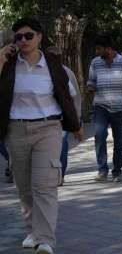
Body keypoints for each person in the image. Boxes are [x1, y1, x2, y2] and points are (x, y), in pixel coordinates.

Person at [0, 18, 83, 254]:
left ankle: (45, 239)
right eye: (18, 37)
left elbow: (68, 96)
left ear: (39, 37)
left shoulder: (53, 65)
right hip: (15, 130)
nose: (23, 40)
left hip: (48, 128)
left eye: (28, 36)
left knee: (44, 185)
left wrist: (75, 125)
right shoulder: (8, 65)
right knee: (24, 187)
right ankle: (33, 231)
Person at [87, 35, 122, 183]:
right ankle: (102, 169)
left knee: (119, 140)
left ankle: (117, 171)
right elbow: (91, 81)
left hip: (119, 107)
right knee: (100, 136)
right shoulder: (95, 62)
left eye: (99, 49)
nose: (96, 52)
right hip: (100, 106)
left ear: (108, 48)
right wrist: (90, 89)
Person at [45, 46, 82, 186]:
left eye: (56, 56)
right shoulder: (41, 72)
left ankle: (61, 174)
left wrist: (76, 118)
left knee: (62, 145)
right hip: (46, 118)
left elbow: (75, 96)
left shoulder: (66, 72)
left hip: (63, 117)